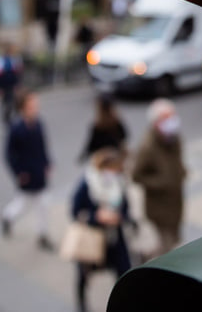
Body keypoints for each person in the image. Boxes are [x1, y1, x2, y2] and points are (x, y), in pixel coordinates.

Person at [71, 148, 133, 312]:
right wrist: (96, 217)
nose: (114, 173)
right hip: (93, 238)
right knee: (84, 275)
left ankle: (124, 302)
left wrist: (119, 217)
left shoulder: (118, 182)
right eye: (111, 169)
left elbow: (126, 207)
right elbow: (75, 211)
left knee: (124, 271)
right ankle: (81, 303)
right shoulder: (87, 185)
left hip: (114, 238)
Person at [131, 98, 187, 258]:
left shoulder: (174, 138)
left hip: (175, 201)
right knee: (167, 248)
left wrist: (181, 172)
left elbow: (177, 161)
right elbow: (136, 176)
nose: (172, 121)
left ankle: (145, 257)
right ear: (156, 122)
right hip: (159, 207)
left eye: (173, 116)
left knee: (172, 240)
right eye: (166, 118)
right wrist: (161, 182)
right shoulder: (147, 147)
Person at [0, 89, 54, 251]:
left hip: (39, 172)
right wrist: (18, 172)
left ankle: (42, 235)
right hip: (26, 175)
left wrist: (47, 163)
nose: (36, 108)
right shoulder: (16, 129)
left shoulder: (38, 124)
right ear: (23, 108)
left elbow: (43, 147)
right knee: (22, 204)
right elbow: (9, 155)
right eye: (32, 105)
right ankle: (6, 217)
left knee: (43, 204)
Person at [78, 95, 129, 163]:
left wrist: (83, 155)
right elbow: (125, 136)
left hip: (101, 158)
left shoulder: (97, 125)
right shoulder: (116, 122)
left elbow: (91, 144)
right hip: (115, 156)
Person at [0, 42, 23, 125]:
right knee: (4, 103)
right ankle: (5, 119)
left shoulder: (14, 59)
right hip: (3, 86)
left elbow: (17, 73)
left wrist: (17, 84)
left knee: (12, 102)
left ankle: (11, 118)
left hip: (11, 85)